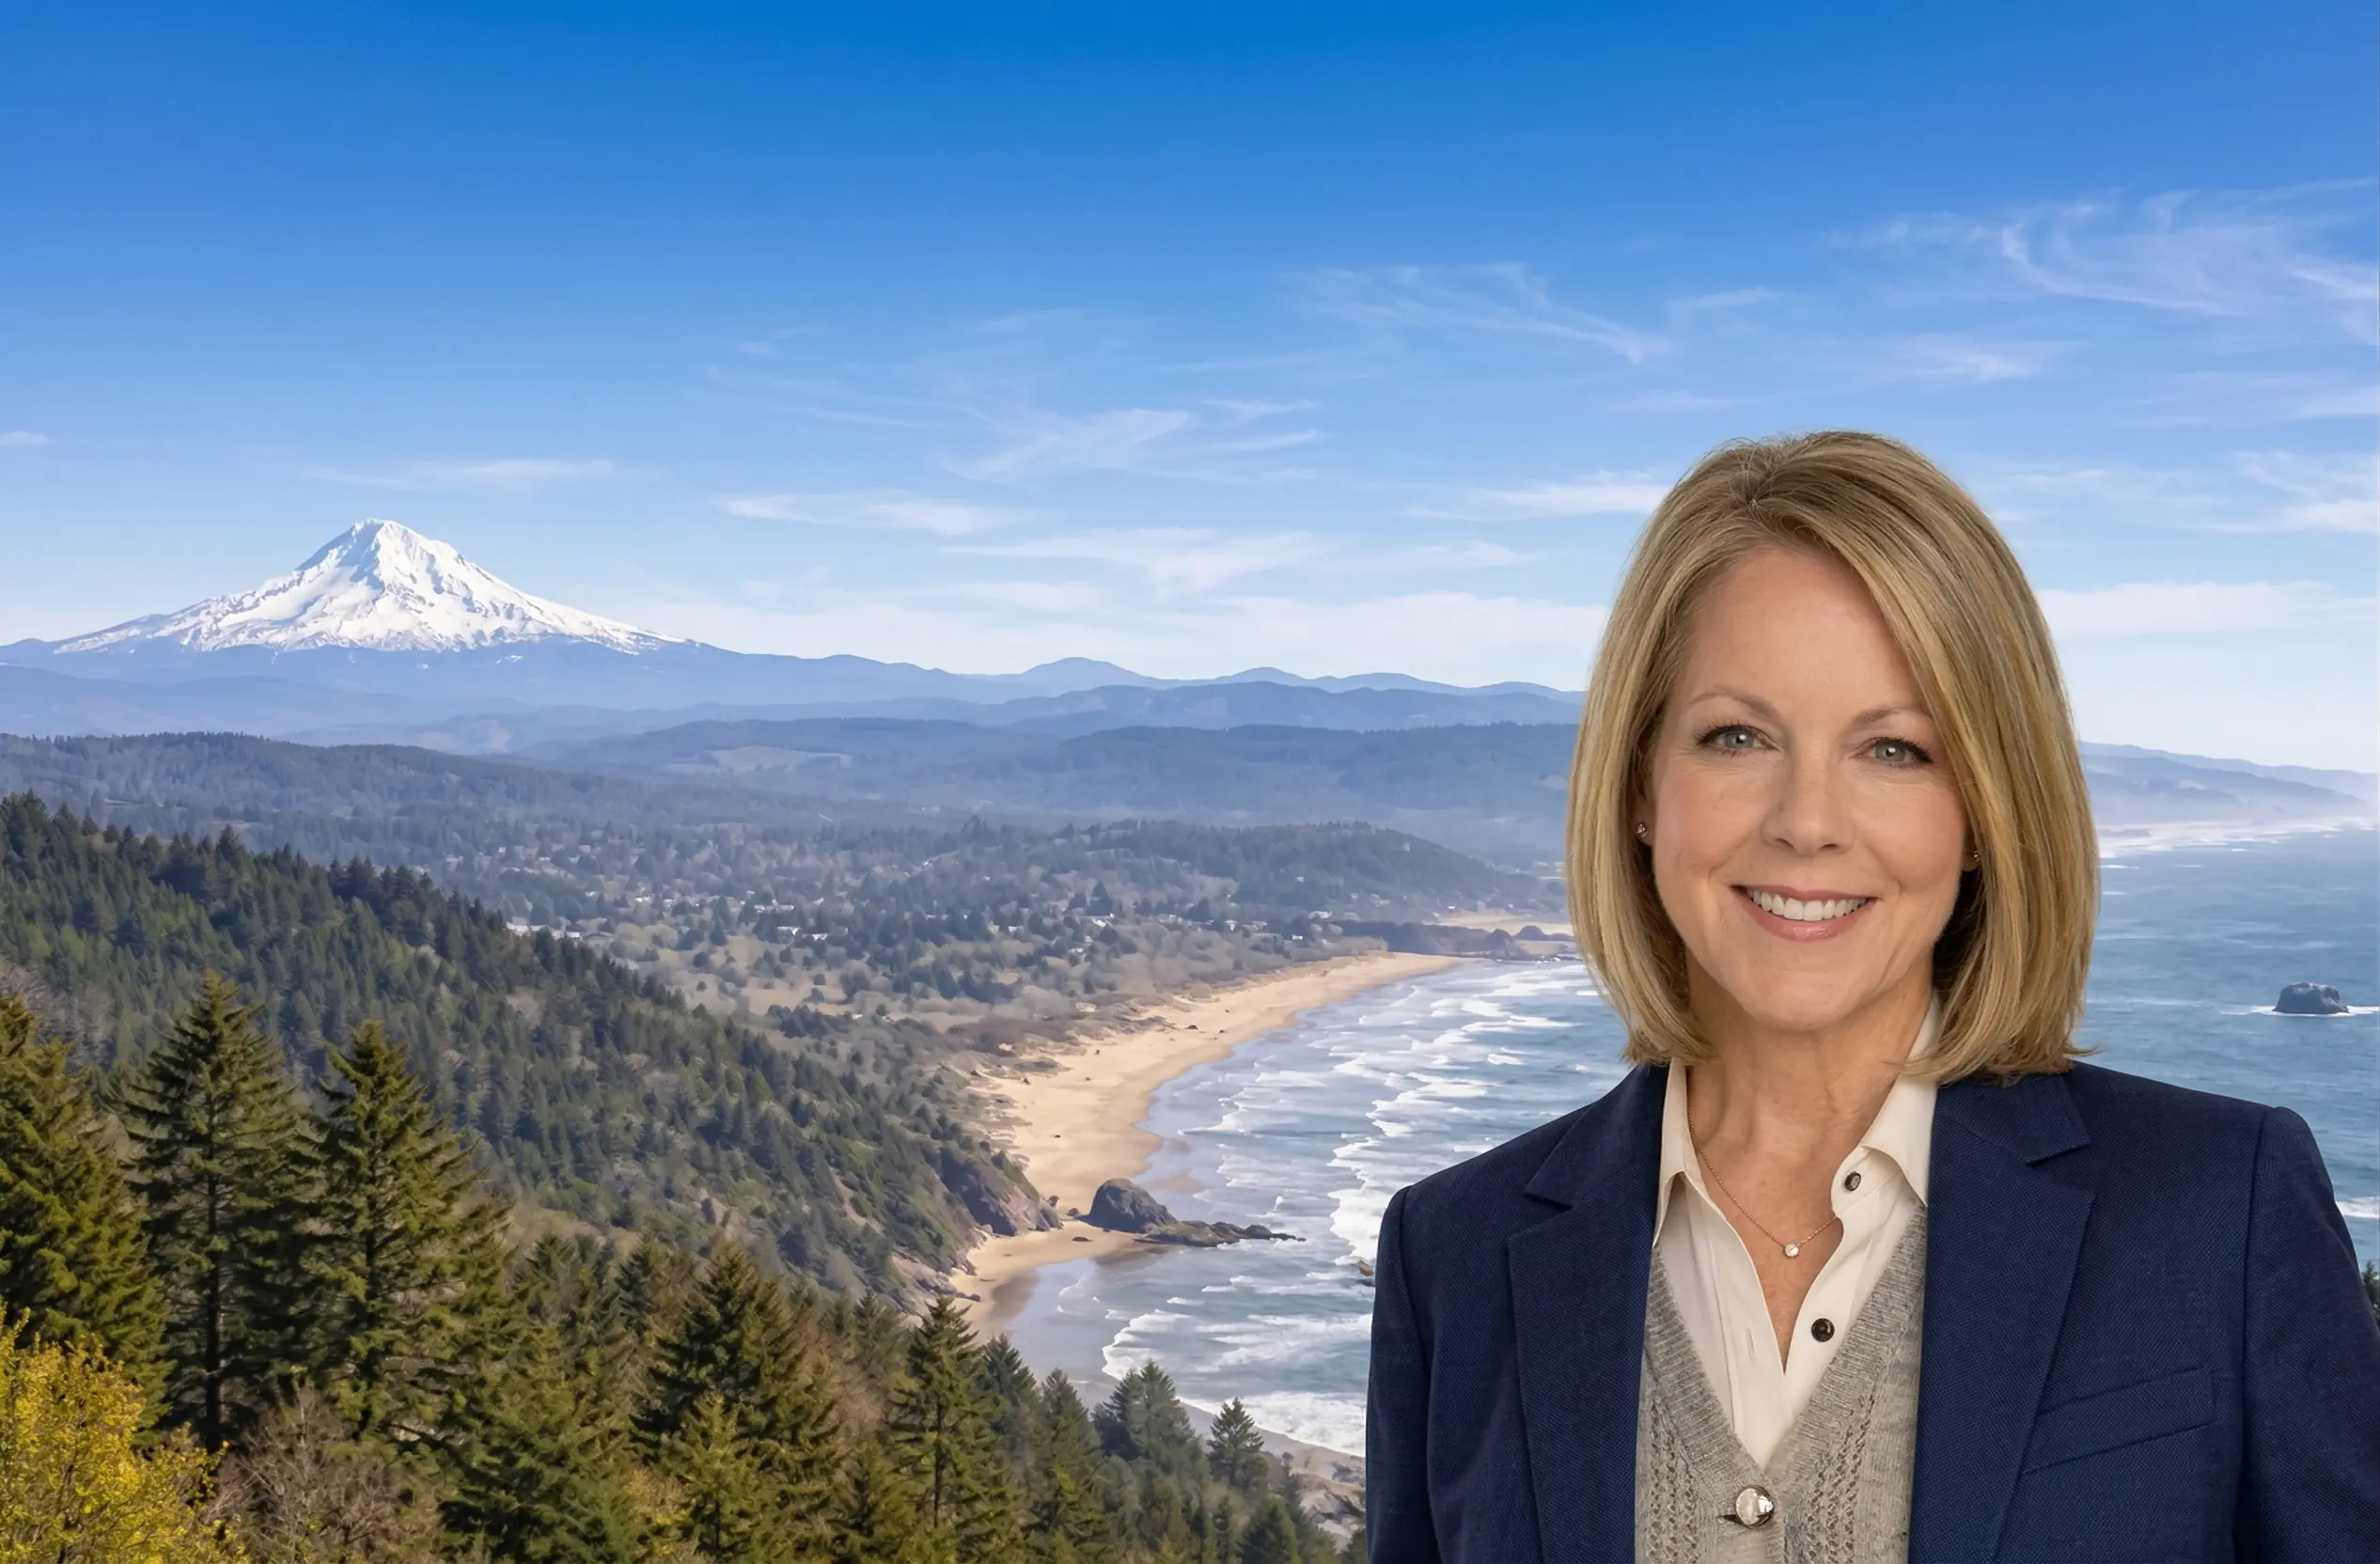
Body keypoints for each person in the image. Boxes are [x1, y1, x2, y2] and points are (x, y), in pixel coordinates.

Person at [1363, 431, 2380, 1562]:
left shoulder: (2219, 1211)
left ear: (1988, 807)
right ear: (1643, 784)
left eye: (1894, 749)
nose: (1807, 819)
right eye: (1736, 736)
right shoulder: (1451, 1254)